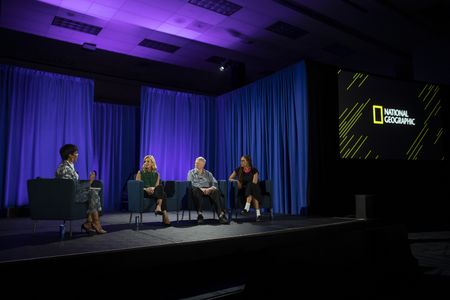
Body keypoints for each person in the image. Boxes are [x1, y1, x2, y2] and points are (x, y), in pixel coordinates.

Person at [55, 144, 107, 233]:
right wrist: (89, 183)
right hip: (67, 197)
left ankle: (89, 222)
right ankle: (95, 222)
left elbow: (74, 185)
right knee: (93, 193)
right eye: (76, 153)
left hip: (72, 194)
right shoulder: (64, 168)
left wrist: (88, 184)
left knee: (93, 192)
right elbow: (70, 187)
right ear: (70, 155)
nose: (78, 155)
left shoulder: (69, 166)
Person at [187, 157, 228, 224]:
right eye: (195, 163)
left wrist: (210, 188)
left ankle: (221, 215)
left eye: (198, 163)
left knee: (216, 191)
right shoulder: (191, 173)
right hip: (197, 189)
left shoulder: (208, 174)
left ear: (203, 165)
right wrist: (201, 189)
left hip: (208, 189)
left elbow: (215, 183)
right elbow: (190, 183)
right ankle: (200, 215)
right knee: (196, 191)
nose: (196, 164)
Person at [135, 155, 171, 226]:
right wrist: (146, 189)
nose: (146, 163)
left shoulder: (157, 174)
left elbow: (157, 187)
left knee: (160, 187)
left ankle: (159, 207)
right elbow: (137, 186)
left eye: (148, 161)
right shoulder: (140, 173)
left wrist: (152, 189)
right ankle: (162, 211)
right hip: (144, 192)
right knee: (163, 194)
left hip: (154, 193)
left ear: (152, 163)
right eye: (145, 161)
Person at [229, 155, 263, 222]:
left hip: (254, 188)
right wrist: (236, 181)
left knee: (251, 186)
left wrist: (249, 186)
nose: (241, 162)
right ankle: (258, 214)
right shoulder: (238, 169)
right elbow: (230, 178)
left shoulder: (254, 170)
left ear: (248, 161)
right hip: (243, 191)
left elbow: (254, 183)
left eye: (243, 161)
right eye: (241, 161)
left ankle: (246, 208)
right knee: (252, 191)